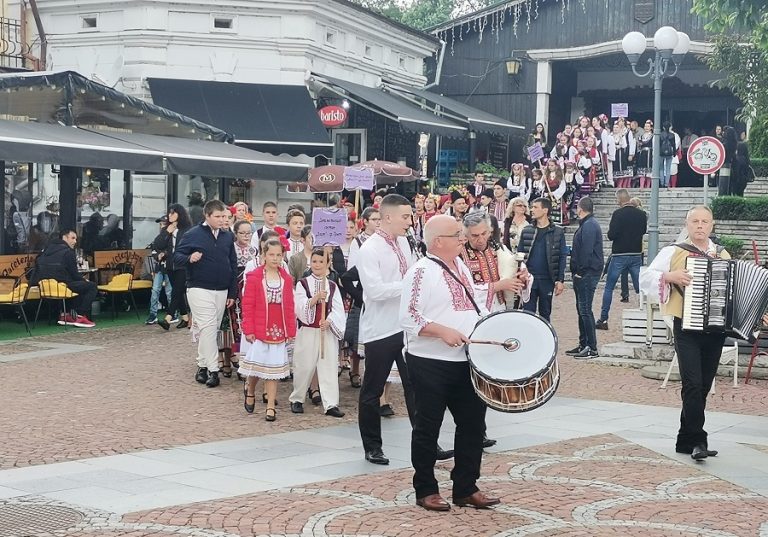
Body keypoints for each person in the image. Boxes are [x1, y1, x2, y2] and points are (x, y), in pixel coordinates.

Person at [400, 214, 501, 512]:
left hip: (465, 360)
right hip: (429, 361)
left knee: (472, 423)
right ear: (437, 242)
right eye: (456, 234)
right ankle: (426, 489)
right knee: (427, 426)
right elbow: (408, 316)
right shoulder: (420, 271)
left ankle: (466, 487)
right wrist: (441, 331)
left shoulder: (461, 266)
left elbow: (473, 303)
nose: (462, 238)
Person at [639, 206, 737, 460]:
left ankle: (685, 439)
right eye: (695, 221)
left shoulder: (723, 254)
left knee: (702, 385)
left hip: (716, 329)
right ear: (688, 224)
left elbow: (735, 293)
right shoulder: (674, 251)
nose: (700, 226)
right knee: (692, 384)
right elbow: (645, 278)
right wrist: (670, 276)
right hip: (687, 327)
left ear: (712, 225)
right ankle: (698, 440)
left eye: (705, 221)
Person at [357, 193, 418, 465]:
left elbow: (415, 274)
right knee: (372, 389)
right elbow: (375, 290)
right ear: (388, 217)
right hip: (381, 329)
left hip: (406, 327)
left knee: (415, 386)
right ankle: (372, 446)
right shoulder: (369, 249)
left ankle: (426, 440)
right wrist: (408, 286)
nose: (410, 221)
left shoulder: (405, 243)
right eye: (405, 216)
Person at [173, 200, 238, 388]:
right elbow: (176, 257)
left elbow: (232, 264)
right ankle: (213, 369)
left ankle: (201, 365)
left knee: (210, 329)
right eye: (217, 217)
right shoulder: (193, 234)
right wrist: (189, 257)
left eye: (224, 216)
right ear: (207, 216)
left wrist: (232, 292)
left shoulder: (227, 237)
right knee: (208, 327)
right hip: (199, 287)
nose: (221, 220)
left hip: (222, 289)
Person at [240, 239, 296, 420]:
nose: (275, 258)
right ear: (263, 255)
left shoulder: (286, 279)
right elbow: (248, 305)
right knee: (257, 365)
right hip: (260, 327)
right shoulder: (255, 277)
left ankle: (270, 406)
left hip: (279, 328)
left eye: (279, 255)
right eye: (271, 254)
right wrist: (248, 328)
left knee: (273, 368)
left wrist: (291, 330)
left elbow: (289, 306)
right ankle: (251, 389)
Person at [290, 248, 346, 418]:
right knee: (304, 365)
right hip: (308, 330)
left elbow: (338, 309)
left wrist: (329, 321)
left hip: (325, 331)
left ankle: (330, 403)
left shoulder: (332, 286)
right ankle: (297, 398)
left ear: (327, 263)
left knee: (328, 366)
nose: (317, 264)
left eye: (321, 261)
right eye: (314, 261)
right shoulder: (303, 283)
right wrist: (314, 299)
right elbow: (299, 306)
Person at [596, 189, 647, 331]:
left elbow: (612, 235)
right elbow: (643, 231)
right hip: (636, 253)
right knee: (640, 288)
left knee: (609, 287)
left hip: (619, 254)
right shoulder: (641, 214)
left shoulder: (617, 214)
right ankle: (645, 316)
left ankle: (603, 318)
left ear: (619, 199)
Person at [31, 228, 97, 328]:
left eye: (76, 239)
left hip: (46, 288)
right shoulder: (68, 253)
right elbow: (74, 274)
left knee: (78, 285)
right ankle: (80, 315)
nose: (75, 241)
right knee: (91, 286)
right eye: (73, 238)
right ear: (64, 238)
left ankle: (65, 315)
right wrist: (84, 280)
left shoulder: (45, 252)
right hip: (62, 286)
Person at [517, 198, 567, 322]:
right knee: (527, 314)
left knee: (545, 314)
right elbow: (520, 255)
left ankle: (545, 340)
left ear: (545, 210)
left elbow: (562, 256)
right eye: (532, 207)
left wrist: (560, 280)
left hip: (547, 280)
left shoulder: (558, 232)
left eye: (535, 207)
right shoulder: (527, 230)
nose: (532, 210)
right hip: (529, 280)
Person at [569, 197, 604, 359]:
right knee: (581, 309)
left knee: (585, 310)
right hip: (585, 272)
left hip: (587, 272)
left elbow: (587, 251)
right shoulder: (588, 225)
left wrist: (580, 271)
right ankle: (584, 344)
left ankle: (592, 347)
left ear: (580, 209)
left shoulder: (589, 226)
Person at [155, 204, 193, 330]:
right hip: (171, 265)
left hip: (183, 265)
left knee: (176, 291)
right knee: (179, 291)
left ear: (179, 214)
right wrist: (167, 232)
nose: (170, 215)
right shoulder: (168, 228)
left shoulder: (187, 229)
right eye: (169, 213)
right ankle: (185, 318)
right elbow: (158, 244)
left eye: (173, 213)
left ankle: (168, 318)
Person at [145, 215, 174, 325]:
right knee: (155, 290)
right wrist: (158, 256)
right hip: (160, 268)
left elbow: (173, 251)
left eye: (163, 224)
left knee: (169, 291)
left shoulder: (172, 237)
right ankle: (153, 314)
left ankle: (172, 313)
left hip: (169, 268)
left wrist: (165, 254)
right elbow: (153, 251)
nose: (161, 226)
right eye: (160, 224)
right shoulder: (158, 238)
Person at [659, 122, 677, 188]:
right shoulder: (672, 135)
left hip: (661, 153)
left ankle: (661, 183)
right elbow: (673, 145)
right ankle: (666, 183)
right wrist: (674, 153)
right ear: (670, 127)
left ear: (663, 127)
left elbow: (659, 144)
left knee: (661, 168)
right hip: (669, 153)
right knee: (668, 168)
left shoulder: (660, 134)